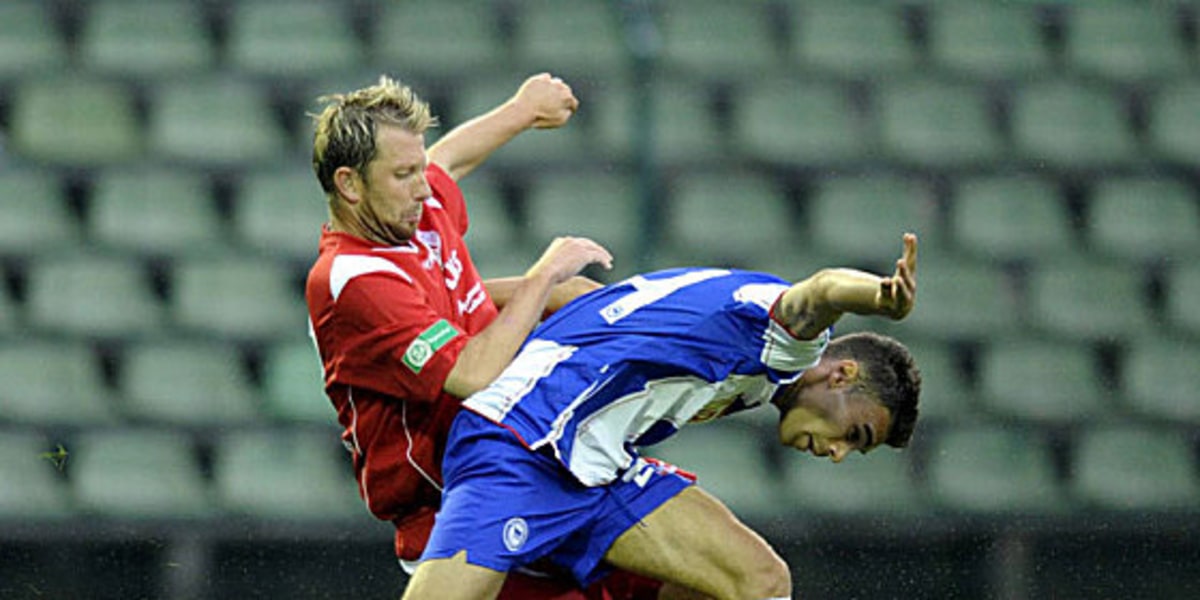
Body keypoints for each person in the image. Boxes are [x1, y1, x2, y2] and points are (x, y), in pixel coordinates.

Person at [401, 234, 923, 600]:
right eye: (855, 434)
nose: (838, 453)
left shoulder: (735, 330)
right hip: (523, 442)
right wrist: (877, 298)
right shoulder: (792, 346)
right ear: (841, 375)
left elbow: (580, 297)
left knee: (759, 580)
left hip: (597, 468)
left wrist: (447, 305)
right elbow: (822, 289)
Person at [305, 73, 668, 599]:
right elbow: (472, 374)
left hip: (531, 469)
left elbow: (449, 159)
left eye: (418, 167)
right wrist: (542, 279)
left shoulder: (412, 214)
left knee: (722, 577)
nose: (424, 186)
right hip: (459, 510)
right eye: (405, 173)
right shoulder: (350, 280)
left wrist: (523, 109)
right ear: (349, 184)